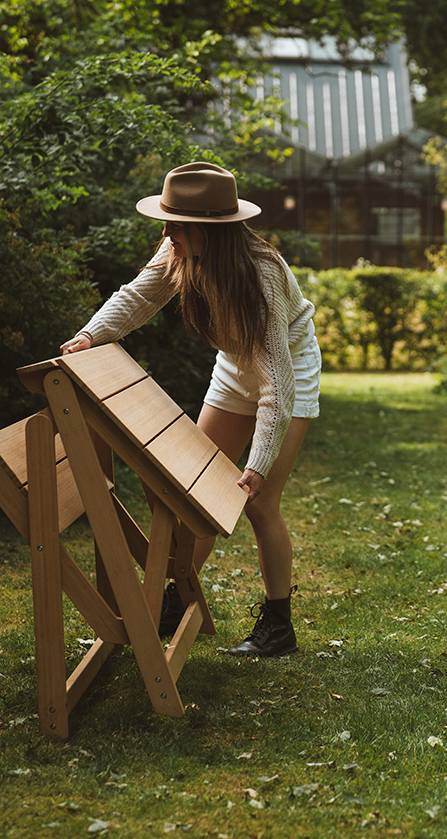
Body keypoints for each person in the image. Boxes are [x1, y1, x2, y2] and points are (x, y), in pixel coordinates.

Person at [60, 162, 320, 657]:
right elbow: (140, 295)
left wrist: (257, 464)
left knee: (258, 500)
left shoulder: (260, 277)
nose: (165, 232)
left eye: (175, 224)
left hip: (289, 371)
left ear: (208, 231)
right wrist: (91, 335)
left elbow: (276, 385)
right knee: (196, 493)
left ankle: (278, 626)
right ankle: (177, 599)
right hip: (234, 364)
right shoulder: (180, 250)